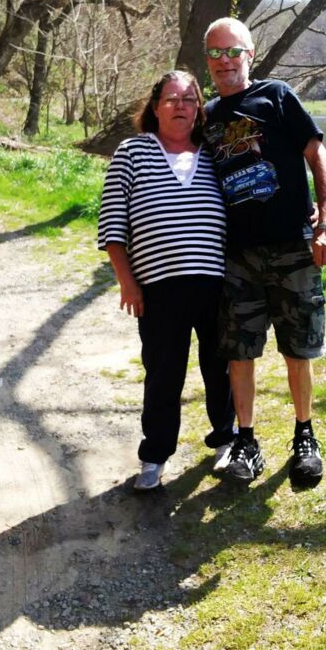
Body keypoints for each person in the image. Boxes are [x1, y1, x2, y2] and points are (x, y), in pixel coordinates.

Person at [202, 17, 326, 488]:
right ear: (207, 61)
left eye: (232, 51)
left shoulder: (277, 96)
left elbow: (317, 155)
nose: (224, 61)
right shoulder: (206, 116)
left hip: (291, 247)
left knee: (298, 348)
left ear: (250, 54)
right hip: (237, 255)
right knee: (239, 351)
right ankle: (247, 441)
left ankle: (305, 436)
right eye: (215, 53)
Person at [97, 70, 235, 490]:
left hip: (215, 283)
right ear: (155, 107)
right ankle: (155, 457)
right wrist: (127, 282)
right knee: (163, 373)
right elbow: (112, 225)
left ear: (199, 110)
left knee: (220, 367)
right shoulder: (132, 152)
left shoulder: (215, 153)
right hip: (158, 287)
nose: (180, 106)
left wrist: (308, 213)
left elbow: (250, 199)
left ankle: (226, 441)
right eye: (171, 99)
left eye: (189, 99)